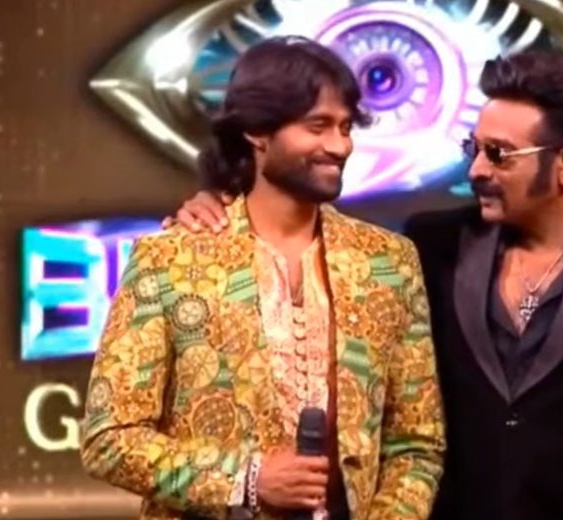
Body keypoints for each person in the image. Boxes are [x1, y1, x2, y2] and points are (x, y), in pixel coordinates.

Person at [168, 50, 563, 520]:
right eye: (473, 148)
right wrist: (218, 203)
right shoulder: (434, 246)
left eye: (499, 154)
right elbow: (300, 227)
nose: (477, 169)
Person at [81, 36, 445, 520]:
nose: (340, 145)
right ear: (256, 131)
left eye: (345, 127)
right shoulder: (170, 259)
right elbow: (109, 439)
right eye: (317, 126)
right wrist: (248, 480)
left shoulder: (389, 262)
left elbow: (416, 444)